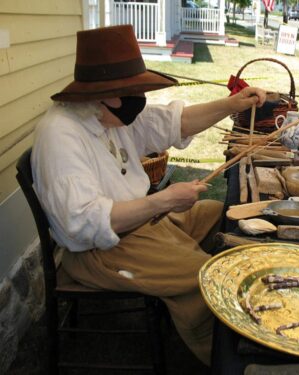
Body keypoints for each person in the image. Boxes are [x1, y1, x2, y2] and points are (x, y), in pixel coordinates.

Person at [31, 24, 266, 366]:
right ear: (102, 93)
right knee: (204, 274)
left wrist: (232, 103)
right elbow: (81, 224)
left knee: (225, 213)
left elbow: (175, 123)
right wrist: (164, 201)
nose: (138, 100)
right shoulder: (61, 136)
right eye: (132, 91)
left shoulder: (110, 111)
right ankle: (224, 356)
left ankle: (219, 305)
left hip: (146, 222)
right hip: (102, 248)